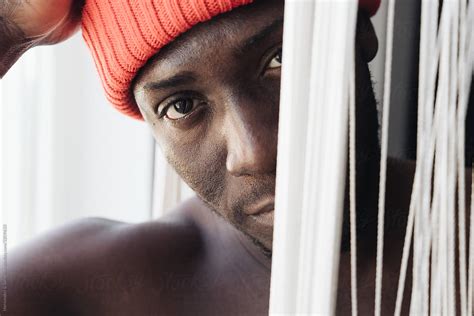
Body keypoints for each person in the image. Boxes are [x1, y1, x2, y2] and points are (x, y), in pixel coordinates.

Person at [0, 0, 471, 315]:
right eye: (181, 105)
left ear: (360, 32)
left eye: (281, 59)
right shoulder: (82, 294)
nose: (257, 151)